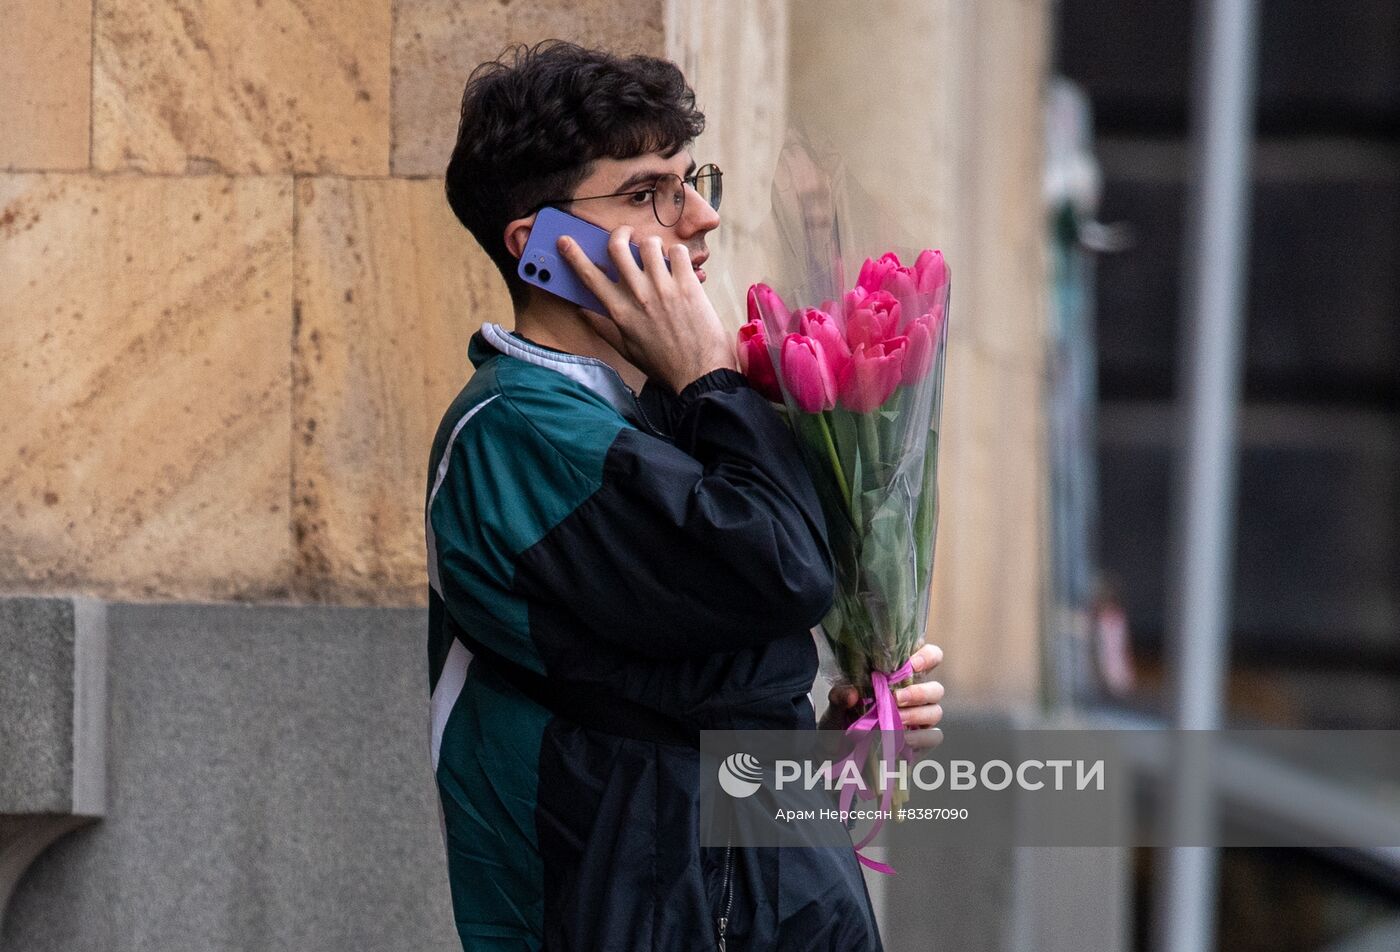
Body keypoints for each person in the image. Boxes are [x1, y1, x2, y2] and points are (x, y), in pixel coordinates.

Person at [428, 40, 945, 951]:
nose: (700, 217)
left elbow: (692, 698)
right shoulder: (522, 432)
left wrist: (845, 726)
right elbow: (782, 571)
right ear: (541, 246)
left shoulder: (630, 418)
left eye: (691, 177)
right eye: (647, 192)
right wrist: (711, 375)